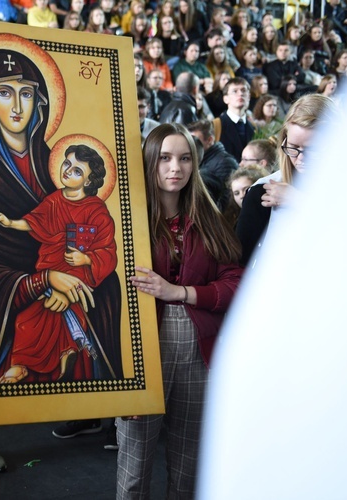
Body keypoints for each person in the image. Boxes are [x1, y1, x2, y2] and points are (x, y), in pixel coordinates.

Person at [0, 37, 122, 481]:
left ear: (41, 101)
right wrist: (39, 280)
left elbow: (92, 236)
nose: (18, 105)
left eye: (27, 92)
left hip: (62, 290)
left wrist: (77, 272)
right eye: (5, 93)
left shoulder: (62, 164)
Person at [118, 123, 242, 500]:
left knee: (189, 465)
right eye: (166, 158)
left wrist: (182, 292)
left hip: (198, 349)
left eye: (185, 158)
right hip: (142, 348)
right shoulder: (127, 219)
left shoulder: (208, 218)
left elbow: (236, 284)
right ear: (150, 162)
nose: (176, 167)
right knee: (134, 465)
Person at [0, 144, 117, 384]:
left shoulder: (97, 211)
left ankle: (56, 355)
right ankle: (34, 362)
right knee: (26, 320)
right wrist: (10, 222)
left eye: (77, 171)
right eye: (67, 164)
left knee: (52, 316)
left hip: (78, 282)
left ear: (89, 181)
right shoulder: (55, 200)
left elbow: (108, 251)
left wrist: (87, 259)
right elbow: (35, 222)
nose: (68, 171)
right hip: (49, 275)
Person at [236, 94, 337, 265]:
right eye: (293, 147)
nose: (301, 158)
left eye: (313, 149)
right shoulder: (263, 191)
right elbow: (238, 266)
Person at [187, 119, 239, 210]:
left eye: (195, 139)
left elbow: (225, 202)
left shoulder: (225, 163)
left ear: (210, 140)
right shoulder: (200, 159)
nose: (190, 143)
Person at [216, 77, 254, 162]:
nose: (240, 94)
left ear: (249, 97)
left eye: (243, 90)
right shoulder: (215, 126)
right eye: (235, 91)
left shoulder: (254, 128)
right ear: (225, 99)